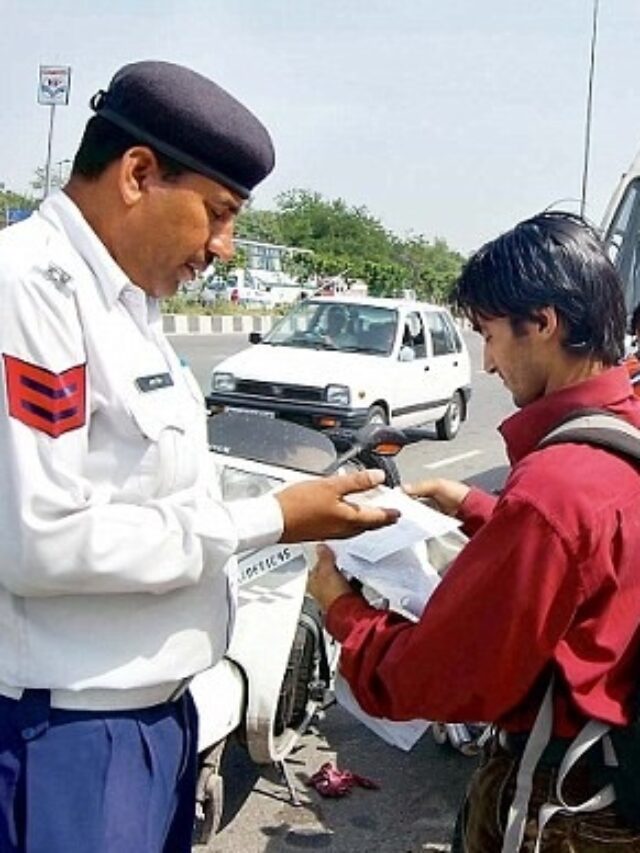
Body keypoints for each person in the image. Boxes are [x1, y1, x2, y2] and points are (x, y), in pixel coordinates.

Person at [0, 60, 399, 853]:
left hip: (158, 715)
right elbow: (39, 539)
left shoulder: (127, 301)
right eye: (217, 214)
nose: (222, 247)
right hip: (72, 733)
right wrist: (269, 519)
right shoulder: (30, 290)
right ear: (139, 174)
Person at [309, 211, 640, 851]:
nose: (486, 363)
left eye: (490, 335)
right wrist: (477, 508)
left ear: (543, 324)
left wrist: (341, 607)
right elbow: (598, 560)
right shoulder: (622, 434)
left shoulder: (557, 489)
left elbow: (438, 677)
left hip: (565, 807)